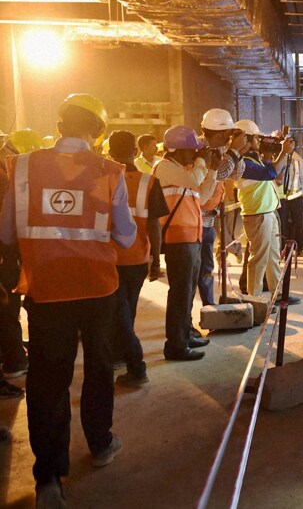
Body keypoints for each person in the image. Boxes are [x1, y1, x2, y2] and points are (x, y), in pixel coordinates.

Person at [0, 93, 136, 507]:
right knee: (98, 369)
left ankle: (49, 480)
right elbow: (127, 236)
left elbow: (6, 234)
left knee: (48, 381)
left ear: (59, 125)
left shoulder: (22, 167)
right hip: (97, 289)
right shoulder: (110, 172)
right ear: (98, 131)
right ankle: (100, 444)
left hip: (46, 291)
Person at [107, 131, 169, 386]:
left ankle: (124, 357)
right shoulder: (149, 182)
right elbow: (154, 224)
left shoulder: (103, 179)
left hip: (108, 258)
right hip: (137, 257)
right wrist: (156, 257)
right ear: (135, 151)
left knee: (116, 311)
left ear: (110, 153)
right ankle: (124, 357)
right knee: (127, 308)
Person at [152, 126, 219, 361]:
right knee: (180, 292)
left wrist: (212, 170)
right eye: (192, 151)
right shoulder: (165, 167)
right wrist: (202, 163)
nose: (195, 155)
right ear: (177, 150)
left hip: (192, 236)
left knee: (188, 292)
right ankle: (176, 345)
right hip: (177, 238)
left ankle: (186, 333)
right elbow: (192, 179)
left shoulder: (183, 170)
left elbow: (204, 195)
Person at [234, 119, 299, 302]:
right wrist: (283, 152)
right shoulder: (243, 163)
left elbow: (275, 174)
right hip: (257, 214)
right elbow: (268, 174)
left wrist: (282, 154)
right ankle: (253, 299)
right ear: (246, 140)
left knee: (273, 256)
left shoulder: (256, 159)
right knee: (259, 258)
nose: (259, 141)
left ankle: (276, 292)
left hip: (267, 212)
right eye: (256, 137)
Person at [197, 109, 247, 306]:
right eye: (228, 134)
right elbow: (220, 174)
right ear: (218, 134)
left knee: (206, 267)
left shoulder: (220, 149)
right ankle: (208, 309)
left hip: (209, 219)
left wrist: (239, 153)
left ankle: (210, 308)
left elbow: (235, 174)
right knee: (198, 270)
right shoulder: (200, 150)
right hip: (196, 220)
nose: (230, 138)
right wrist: (234, 151)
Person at [0, 135, 27, 397]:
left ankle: (14, 355)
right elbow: (6, 232)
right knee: (6, 311)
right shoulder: (3, 181)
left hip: (7, 255)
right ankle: (14, 361)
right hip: (4, 257)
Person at [278, 143, 303, 255]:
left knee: (298, 223)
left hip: (296, 198)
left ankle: (299, 248)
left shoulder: (297, 163)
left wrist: (302, 194)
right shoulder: (277, 163)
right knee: (282, 224)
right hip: (282, 199)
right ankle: (283, 249)